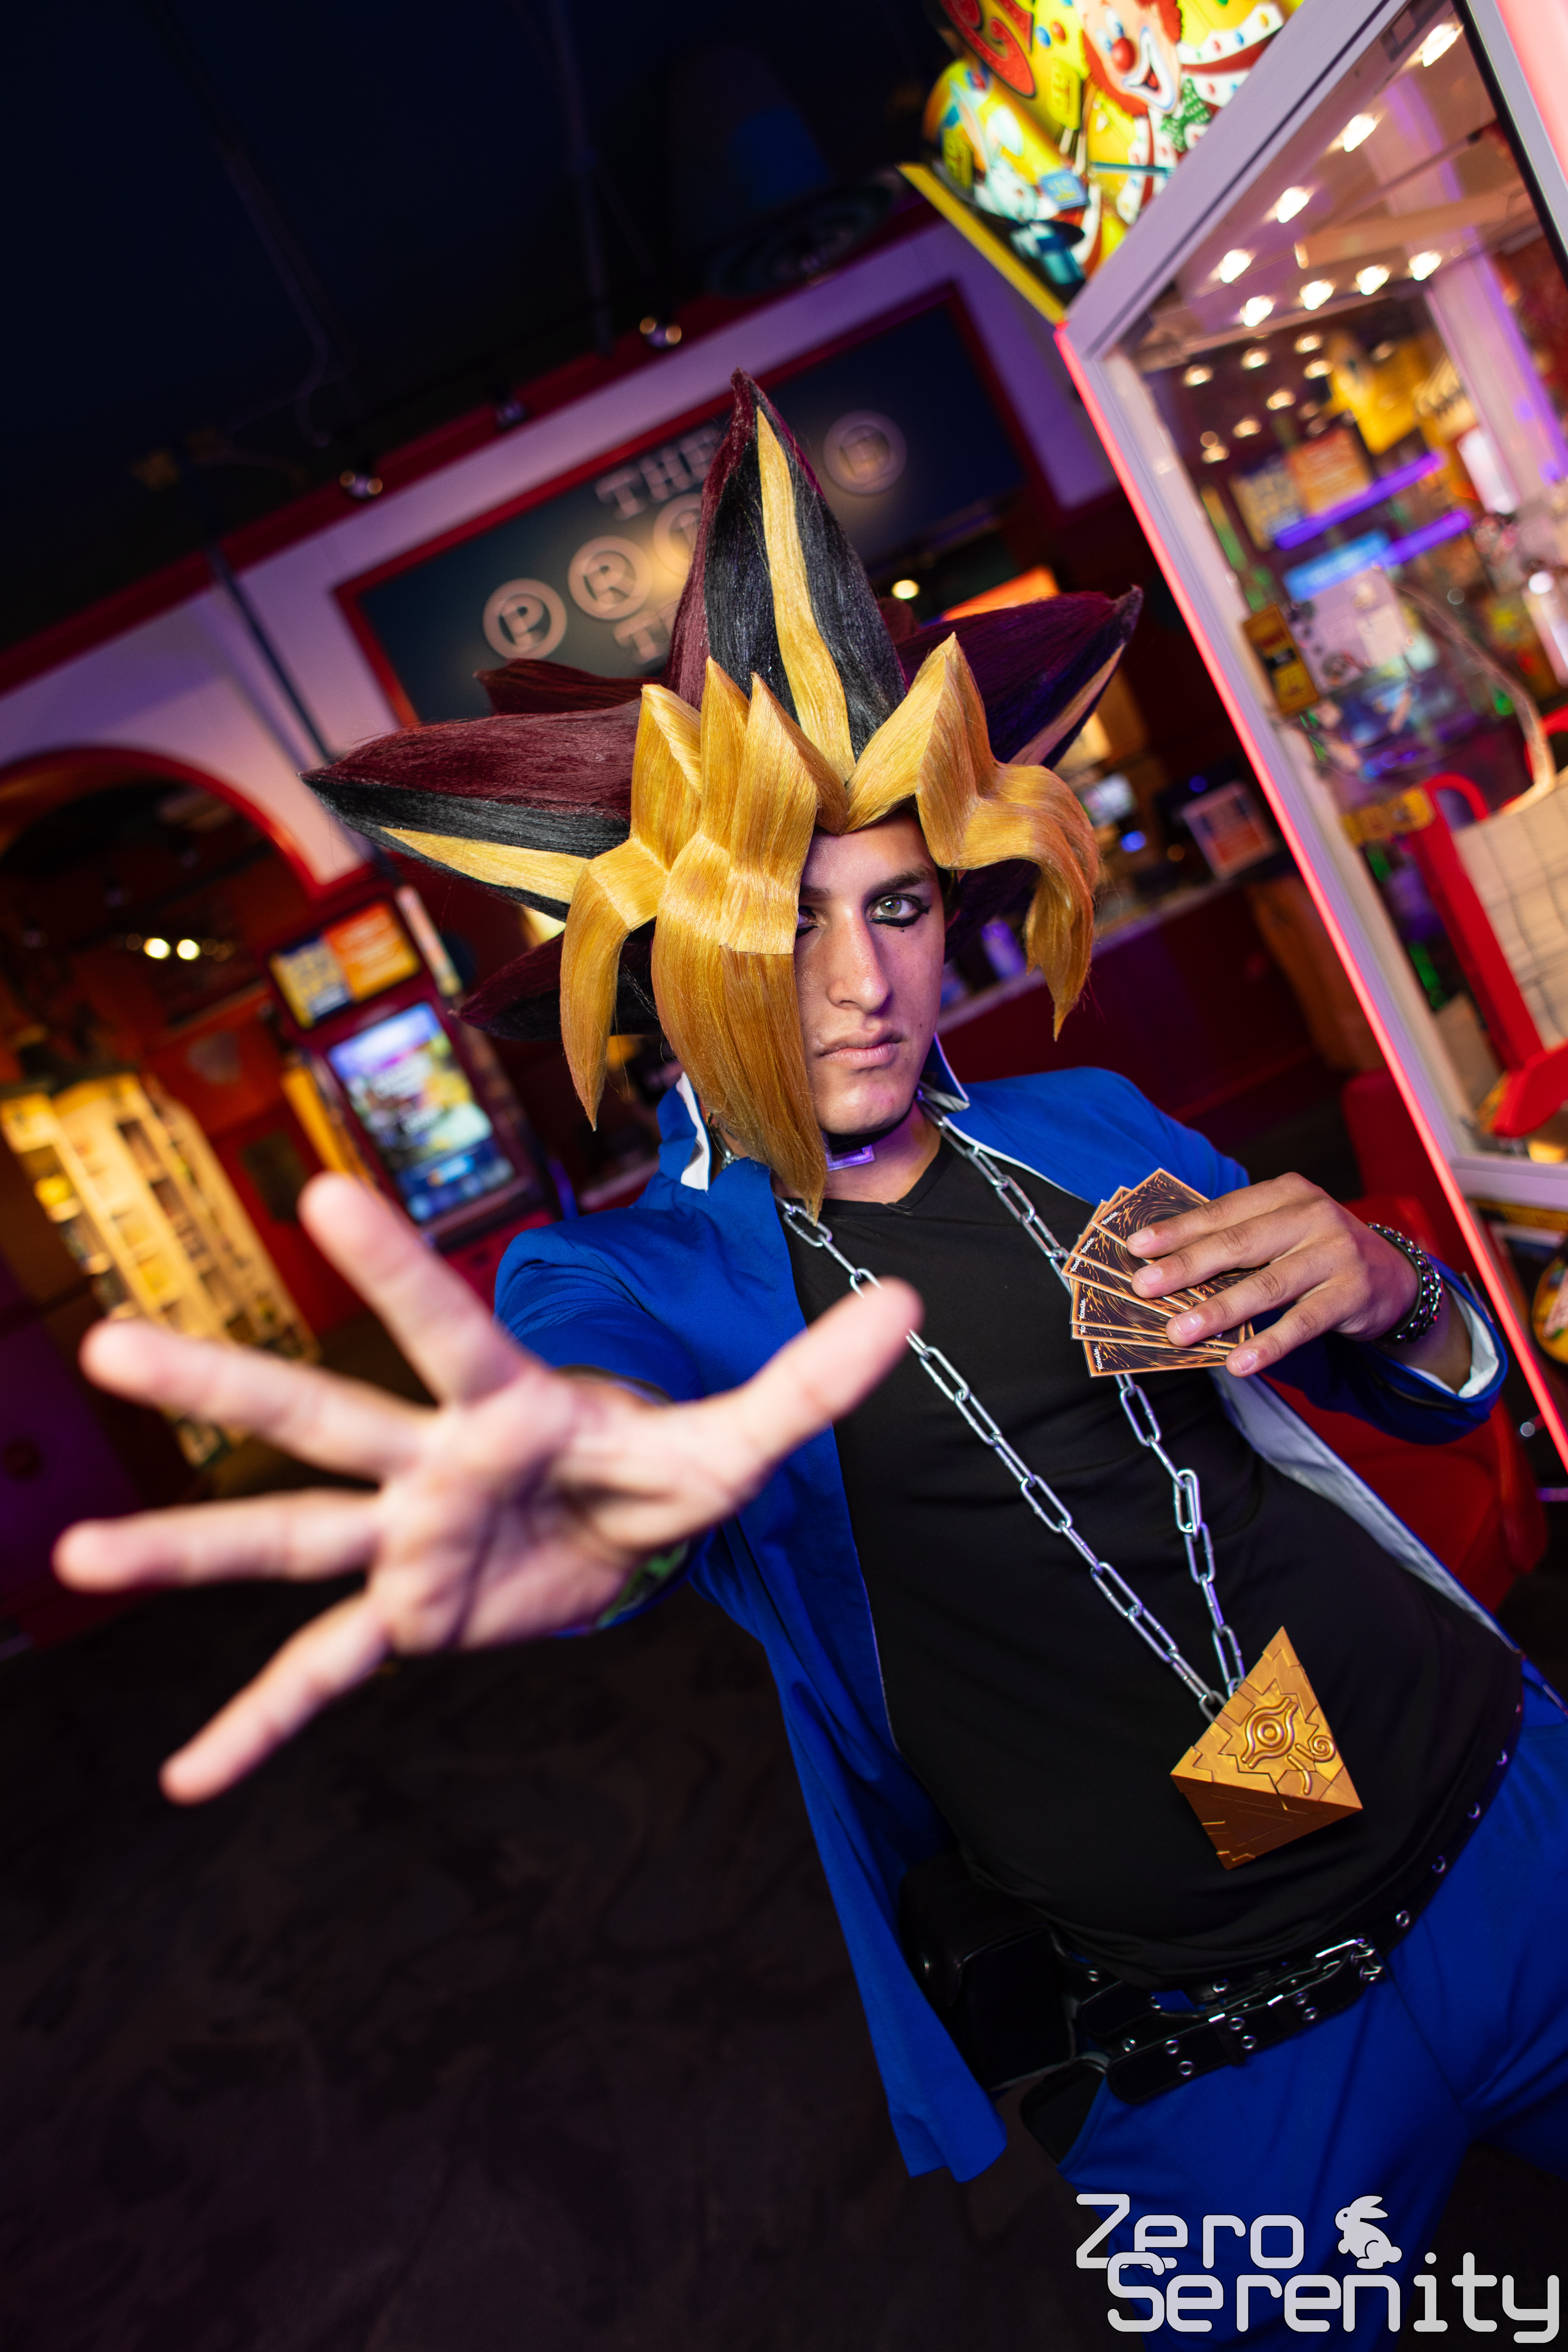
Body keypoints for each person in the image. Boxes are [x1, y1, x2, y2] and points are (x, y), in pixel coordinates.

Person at [58, 376, 1567, 2344]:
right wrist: (581, 1496)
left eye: (901, 904)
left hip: (1521, 1827)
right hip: (1226, 2081)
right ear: (671, 963)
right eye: (780, 921)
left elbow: (1449, 1389)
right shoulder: (630, 1280)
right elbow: (595, 1434)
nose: (858, 984)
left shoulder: (1092, 1122)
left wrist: (1389, 1284)